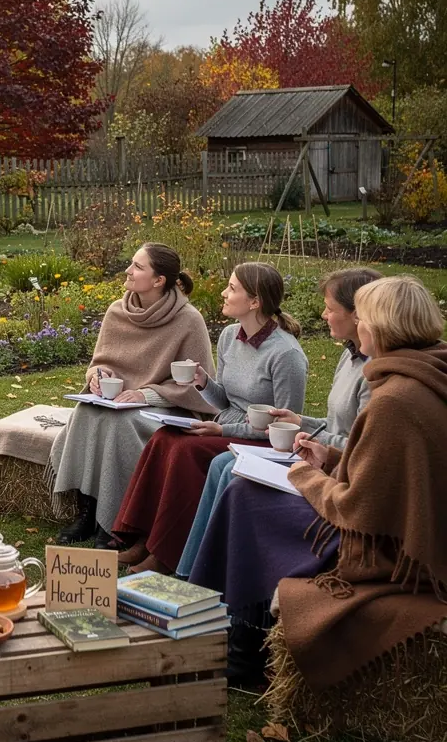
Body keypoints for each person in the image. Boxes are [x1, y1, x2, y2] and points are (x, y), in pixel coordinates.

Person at [274, 276, 447, 697]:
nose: (358, 326)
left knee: (254, 505)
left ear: (379, 327)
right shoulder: (430, 373)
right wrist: (332, 459)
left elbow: (357, 511)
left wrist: (305, 476)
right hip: (423, 527)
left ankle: (242, 641)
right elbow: (393, 468)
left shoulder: (394, 399)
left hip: (401, 551)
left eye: (363, 317)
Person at [178, 267, 381, 580]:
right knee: (180, 445)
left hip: (329, 465)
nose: (324, 315)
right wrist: (204, 384)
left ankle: (206, 575)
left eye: (329, 308)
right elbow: (338, 424)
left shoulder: (290, 354)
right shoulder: (349, 357)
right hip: (311, 450)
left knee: (218, 463)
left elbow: (362, 443)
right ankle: (185, 566)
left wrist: (229, 429)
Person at [112, 262, 307, 574]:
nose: (223, 293)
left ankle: (166, 554)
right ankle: (143, 539)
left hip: (257, 439)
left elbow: (284, 429)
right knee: (164, 438)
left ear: (255, 302)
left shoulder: (287, 355)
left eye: (232, 288)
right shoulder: (231, 336)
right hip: (225, 426)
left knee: (186, 452)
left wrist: (222, 428)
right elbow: (225, 400)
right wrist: (202, 382)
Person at [47, 243, 216, 547]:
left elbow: (199, 387)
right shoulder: (117, 311)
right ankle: (88, 511)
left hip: (168, 408)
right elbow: (100, 362)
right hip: (118, 402)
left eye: (138, 266)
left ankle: (115, 521)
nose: (128, 270)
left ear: (158, 280)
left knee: (119, 424)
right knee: (87, 413)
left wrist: (147, 395)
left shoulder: (189, 320)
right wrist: (98, 378)